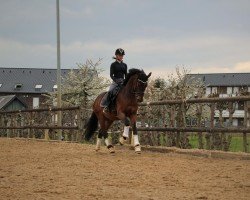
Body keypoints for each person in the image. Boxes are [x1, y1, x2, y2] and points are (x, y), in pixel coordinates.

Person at [103, 48, 127, 112]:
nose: (121, 57)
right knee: (110, 91)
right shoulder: (113, 65)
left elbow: (126, 75)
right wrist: (116, 81)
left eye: (122, 55)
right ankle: (106, 106)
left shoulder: (124, 65)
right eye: (120, 55)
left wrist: (125, 81)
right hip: (115, 81)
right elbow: (111, 75)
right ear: (116, 56)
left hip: (123, 81)